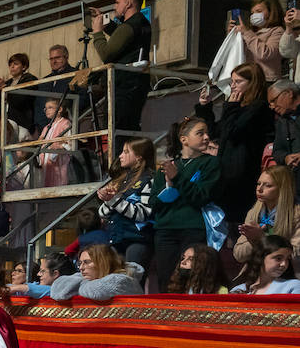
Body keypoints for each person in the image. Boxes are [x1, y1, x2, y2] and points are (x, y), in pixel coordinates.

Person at [195, 62, 276, 225]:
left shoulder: (259, 107)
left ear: (252, 82)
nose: (233, 86)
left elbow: (234, 131)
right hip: (227, 173)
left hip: (244, 174)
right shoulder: (237, 107)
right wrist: (205, 108)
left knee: (239, 222)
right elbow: (217, 132)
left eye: (238, 82)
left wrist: (230, 106)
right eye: (232, 82)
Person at [151, 117, 220, 279]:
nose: (206, 137)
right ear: (184, 140)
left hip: (194, 228)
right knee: (166, 278)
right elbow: (153, 203)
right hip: (165, 230)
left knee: (191, 277)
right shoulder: (168, 165)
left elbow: (201, 197)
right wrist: (168, 190)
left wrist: (177, 179)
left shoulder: (211, 163)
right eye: (200, 133)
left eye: (207, 133)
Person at [89, 0, 153, 131]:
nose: (114, 6)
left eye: (118, 3)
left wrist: (98, 33)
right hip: (135, 85)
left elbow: (107, 54)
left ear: (128, 3)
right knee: (128, 129)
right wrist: (105, 19)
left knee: (117, 130)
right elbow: (122, 37)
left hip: (123, 87)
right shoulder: (140, 23)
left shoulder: (130, 26)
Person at [96, 137, 156, 270]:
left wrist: (113, 200)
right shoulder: (122, 180)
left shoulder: (149, 180)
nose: (120, 156)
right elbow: (102, 213)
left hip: (137, 240)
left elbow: (143, 214)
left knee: (132, 282)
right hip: (116, 239)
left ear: (139, 157)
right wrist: (107, 199)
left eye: (126, 152)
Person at [234, 165, 300, 265]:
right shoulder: (254, 213)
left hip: (286, 274)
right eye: (258, 184)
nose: (259, 189)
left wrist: (262, 239)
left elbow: (296, 254)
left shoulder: (296, 214)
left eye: (268, 185)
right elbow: (239, 255)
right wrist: (254, 241)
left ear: (282, 189)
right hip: (257, 271)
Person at [50, 244, 144, 300]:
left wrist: (77, 285)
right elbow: (56, 289)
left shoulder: (123, 280)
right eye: (80, 263)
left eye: (86, 262)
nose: (81, 268)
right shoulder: (89, 278)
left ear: (102, 262)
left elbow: (97, 290)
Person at [234, 0, 287, 82]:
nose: (254, 15)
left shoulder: (277, 31)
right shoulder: (252, 33)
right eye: (252, 13)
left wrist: (247, 33)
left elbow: (265, 54)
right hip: (249, 79)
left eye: (258, 11)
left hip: (266, 80)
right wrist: (234, 35)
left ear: (271, 12)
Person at [230, 234, 300, 294]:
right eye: (278, 258)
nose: (284, 264)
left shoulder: (293, 286)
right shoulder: (238, 290)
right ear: (261, 258)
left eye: (288, 259)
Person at [0, 53, 38, 136]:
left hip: (21, 124)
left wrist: (5, 88)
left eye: (15, 64)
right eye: (10, 64)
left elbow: (19, 101)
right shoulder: (8, 82)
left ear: (24, 67)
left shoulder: (30, 80)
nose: (12, 67)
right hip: (5, 123)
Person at [165, 244, 229, 295]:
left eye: (191, 259)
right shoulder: (178, 289)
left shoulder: (221, 292)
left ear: (205, 265)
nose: (183, 262)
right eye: (183, 258)